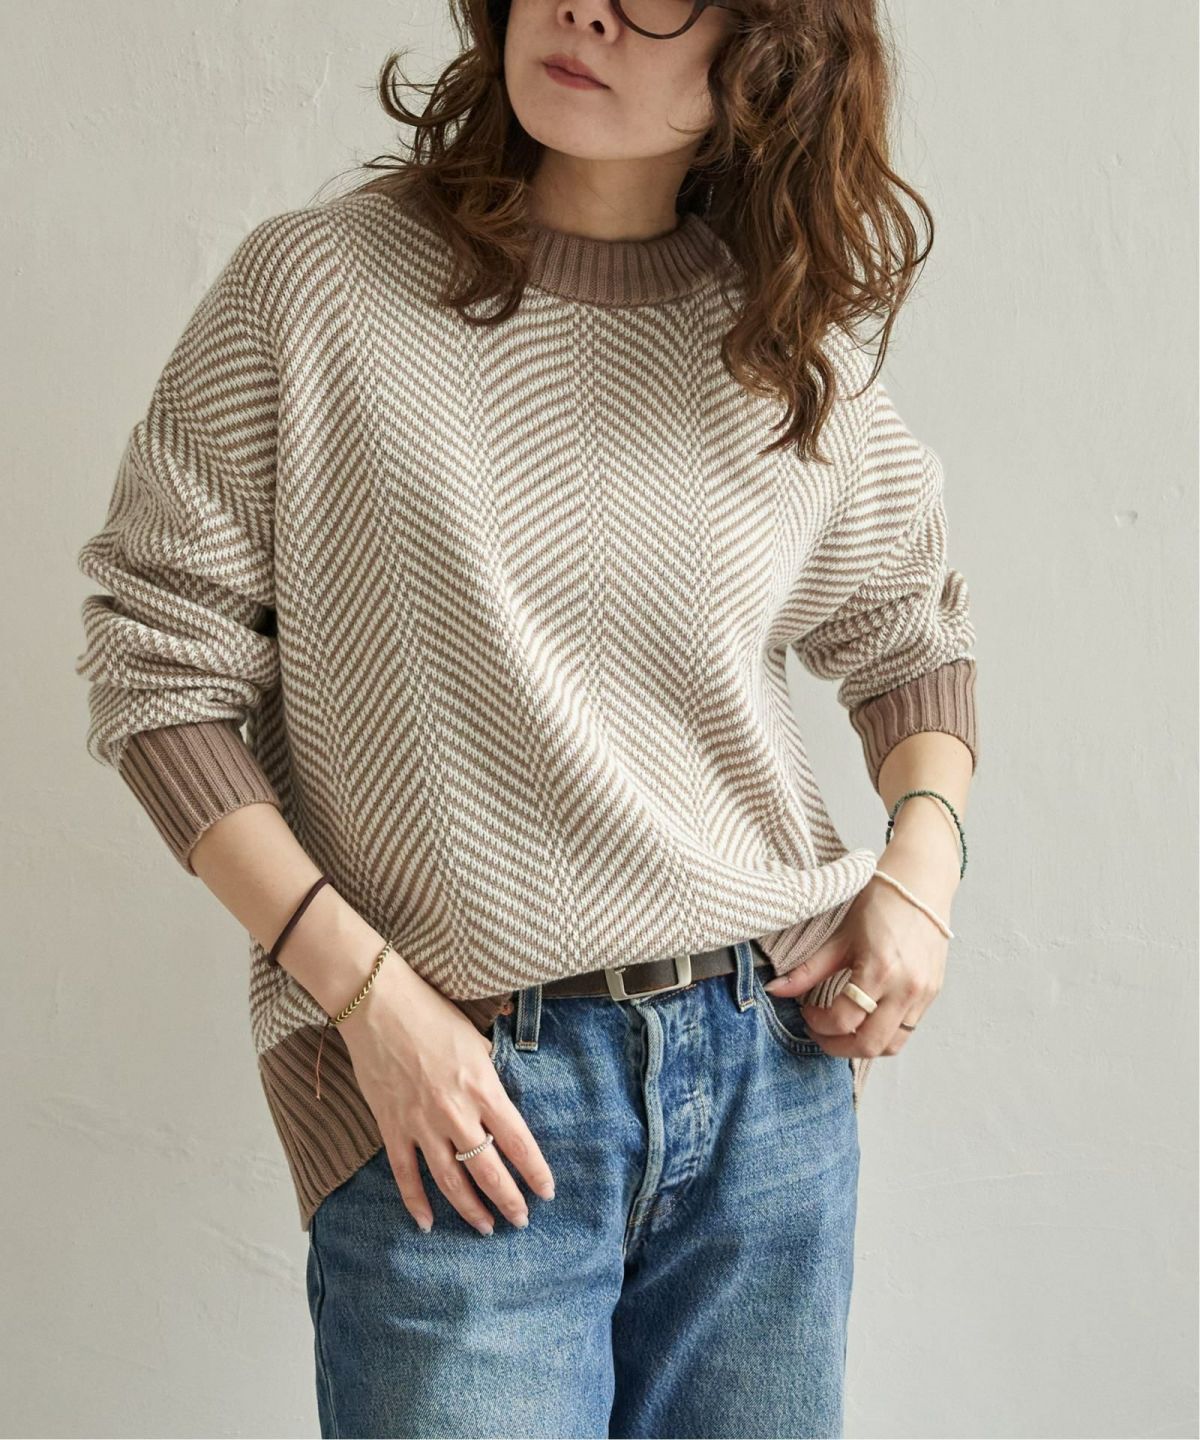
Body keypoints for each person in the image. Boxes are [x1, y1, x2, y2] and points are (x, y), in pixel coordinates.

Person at [73, 0, 979, 1434]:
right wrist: (370, 1005)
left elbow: (909, 634)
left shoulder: (782, 338)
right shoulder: (315, 291)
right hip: (461, 1099)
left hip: (768, 1086)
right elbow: (157, 669)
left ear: (769, 52)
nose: (584, 9)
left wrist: (923, 871)